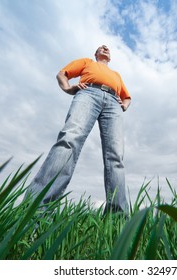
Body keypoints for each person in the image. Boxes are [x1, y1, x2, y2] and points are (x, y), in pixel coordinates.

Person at [25, 45, 131, 214]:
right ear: (95, 54)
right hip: (89, 92)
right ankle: (37, 209)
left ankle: (117, 218)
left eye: (107, 48)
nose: (105, 47)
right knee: (69, 139)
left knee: (116, 156)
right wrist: (67, 88)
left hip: (113, 102)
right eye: (100, 48)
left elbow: (127, 97)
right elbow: (62, 74)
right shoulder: (87, 62)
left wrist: (123, 105)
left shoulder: (116, 75)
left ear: (109, 57)